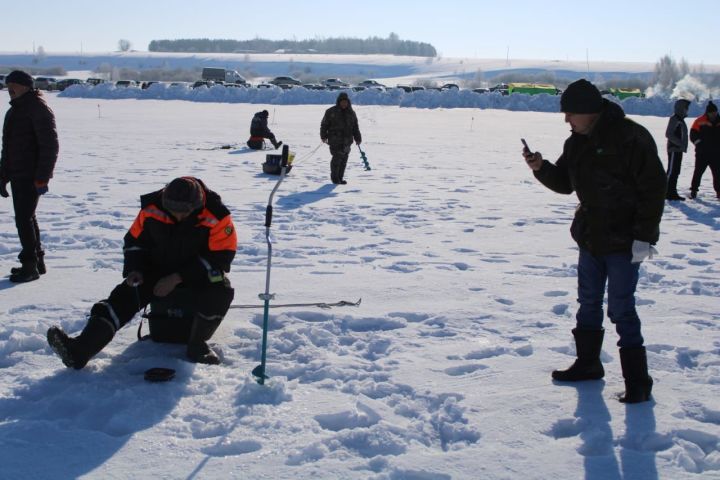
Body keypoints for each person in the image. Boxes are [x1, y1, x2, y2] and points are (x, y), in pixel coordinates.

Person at [523, 79, 666, 403]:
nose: (566, 120)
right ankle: (588, 364)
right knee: (587, 303)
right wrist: (540, 167)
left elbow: (654, 189)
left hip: (624, 242)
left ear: (589, 111)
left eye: (570, 113)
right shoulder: (576, 143)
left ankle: (638, 382)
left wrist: (644, 238)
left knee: (621, 309)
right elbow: (564, 184)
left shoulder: (631, 137)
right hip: (590, 239)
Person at [47, 177, 237, 368]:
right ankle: (80, 350)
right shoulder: (151, 209)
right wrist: (134, 269)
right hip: (157, 269)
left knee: (220, 290)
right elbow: (134, 243)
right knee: (123, 297)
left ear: (197, 204)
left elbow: (221, 257)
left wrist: (177, 277)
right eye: (174, 212)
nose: (178, 217)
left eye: (184, 213)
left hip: (197, 273)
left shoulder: (217, 215)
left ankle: (197, 345)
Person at [0, 70, 59, 283]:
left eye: (12, 85)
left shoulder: (37, 109)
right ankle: (36, 262)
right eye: (7, 86)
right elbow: (8, 148)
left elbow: (50, 146)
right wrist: (3, 175)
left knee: (24, 219)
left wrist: (43, 177)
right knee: (27, 218)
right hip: (18, 173)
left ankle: (30, 265)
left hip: (31, 175)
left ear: (25, 86)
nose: (9, 90)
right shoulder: (16, 110)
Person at [320, 92, 362, 184]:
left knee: (344, 160)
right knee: (337, 158)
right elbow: (324, 125)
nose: (344, 104)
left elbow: (355, 127)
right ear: (339, 102)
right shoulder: (330, 111)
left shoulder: (351, 113)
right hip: (335, 140)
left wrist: (358, 138)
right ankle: (335, 179)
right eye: (342, 102)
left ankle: (340, 178)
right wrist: (323, 136)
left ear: (348, 102)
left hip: (347, 141)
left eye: (345, 102)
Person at [689, 101, 720, 199]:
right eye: (712, 112)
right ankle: (694, 190)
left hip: (716, 154)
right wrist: (699, 145)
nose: (714, 114)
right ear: (708, 112)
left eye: (715, 112)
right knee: (698, 172)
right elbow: (692, 135)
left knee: (718, 174)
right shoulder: (699, 121)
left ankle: (719, 192)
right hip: (702, 153)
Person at [665, 99, 691, 201]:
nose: (687, 110)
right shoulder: (674, 119)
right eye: (686, 108)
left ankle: (672, 192)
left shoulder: (680, 119)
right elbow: (668, 134)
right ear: (681, 108)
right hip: (674, 149)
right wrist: (680, 144)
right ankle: (666, 192)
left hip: (678, 149)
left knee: (675, 171)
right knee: (671, 171)